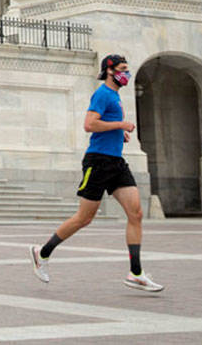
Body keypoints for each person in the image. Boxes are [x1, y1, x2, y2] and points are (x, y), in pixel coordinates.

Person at [30, 54, 164, 291]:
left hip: (116, 162)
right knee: (84, 218)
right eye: (123, 69)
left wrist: (117, 133)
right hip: (98, 162)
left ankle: (135, 273)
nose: (127, 74)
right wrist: (121, 125)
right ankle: (43, 252)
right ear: (110, 71)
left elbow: (103, 125)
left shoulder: (115, 96)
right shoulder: (102, 93)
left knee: (136, 214)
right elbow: (89, 124)